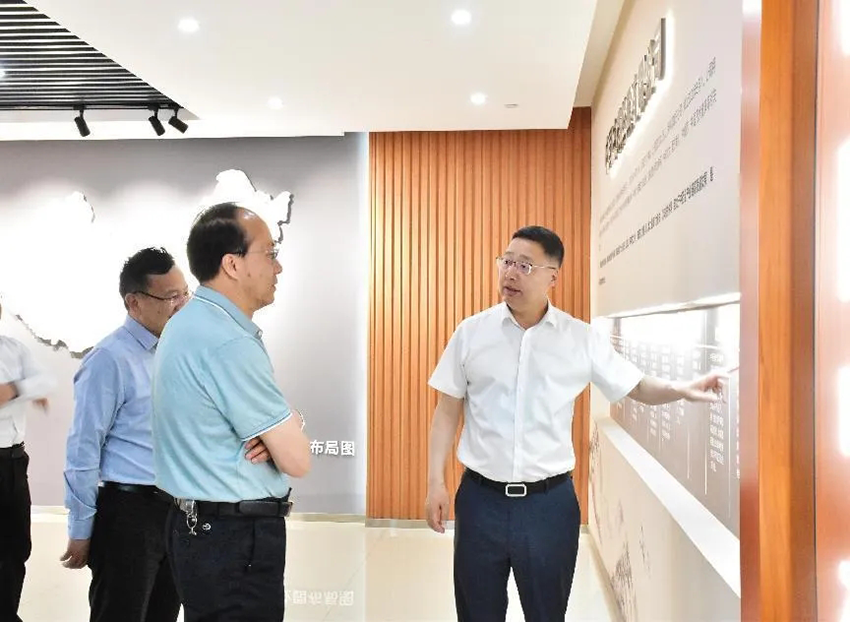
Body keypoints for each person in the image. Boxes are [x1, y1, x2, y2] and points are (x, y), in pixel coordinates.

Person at [424, 225, 726, 622]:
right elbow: (447, 410)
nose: (510, 273)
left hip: (548, 506)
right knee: (477, 613)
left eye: (525, 265)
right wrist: (435, 482)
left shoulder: (580, 339)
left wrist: (682, 389)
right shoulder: (471, 333)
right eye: (506, 261)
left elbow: (635, 386)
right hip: (481, 502)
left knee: (547, 614)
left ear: (552, 277)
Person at [152, 202, 311, 622]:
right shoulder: (229, 342)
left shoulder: (187, 323)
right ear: (233, 264)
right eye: (270, 253)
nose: (278, 267)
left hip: (196, 529)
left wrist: (285, 427)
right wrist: (289, 426)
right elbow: (297, 459)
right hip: (233, 540)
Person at [61, 247, 194, 622]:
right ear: (134, 302)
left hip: (175, 510)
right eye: (171, 297)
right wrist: (81, 528)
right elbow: (83, 448)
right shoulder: (109, 359)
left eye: (185, 293)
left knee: (164, 613)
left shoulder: (174, 351)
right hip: (128, 516)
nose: (182, 305)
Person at [0, 302, 54, 622]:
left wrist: (14, 389)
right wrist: (23, 390)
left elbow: (44, 381)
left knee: (16, 546)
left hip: (14, 461)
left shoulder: (14, 349)